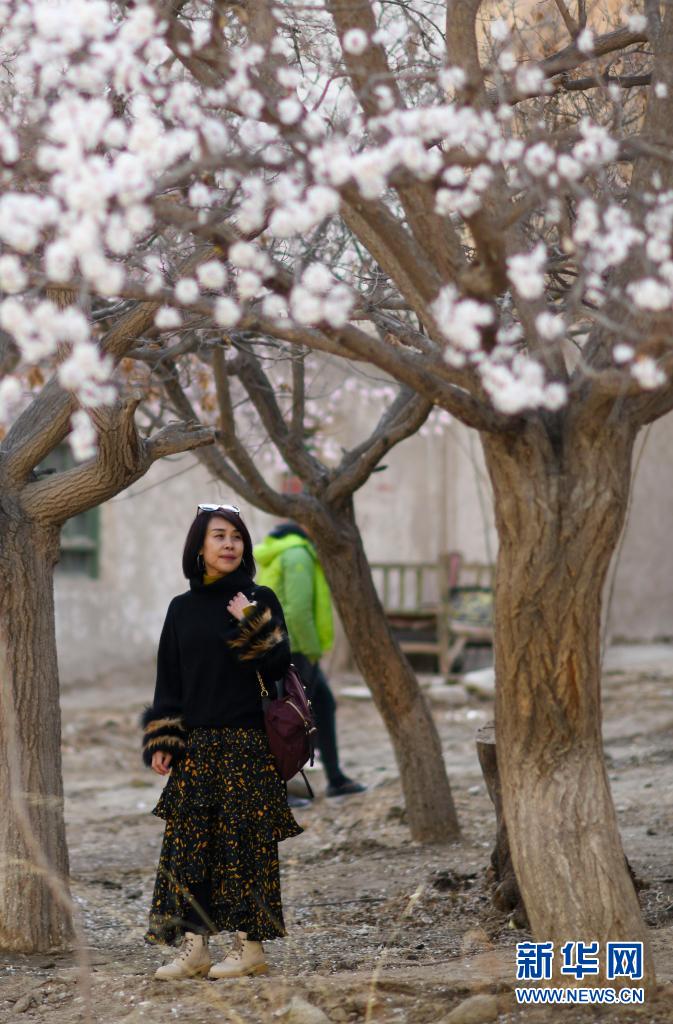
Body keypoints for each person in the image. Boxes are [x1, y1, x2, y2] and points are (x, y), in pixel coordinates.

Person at [140, 503, 302, 981]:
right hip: (196, 748)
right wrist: (164, 739)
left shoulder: (258, 597)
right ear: (199, 546)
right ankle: (195, 950)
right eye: (219, 536)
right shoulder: (181, 608)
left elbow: (278, 667)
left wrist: (250, 619)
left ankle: (250, 950)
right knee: (189, 851)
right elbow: (169, 681)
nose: (230, 544)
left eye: (236, 536)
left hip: (248, 745)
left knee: (245, 849)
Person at [254, 522, 366, 798]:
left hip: (282, 645)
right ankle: (281, 790)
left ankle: (335, 778)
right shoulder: (297, 554)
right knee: (291, 718)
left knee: (323, 705)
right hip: (297, 648)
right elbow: (298, 611)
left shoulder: (277, 552)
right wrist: (313, 651)